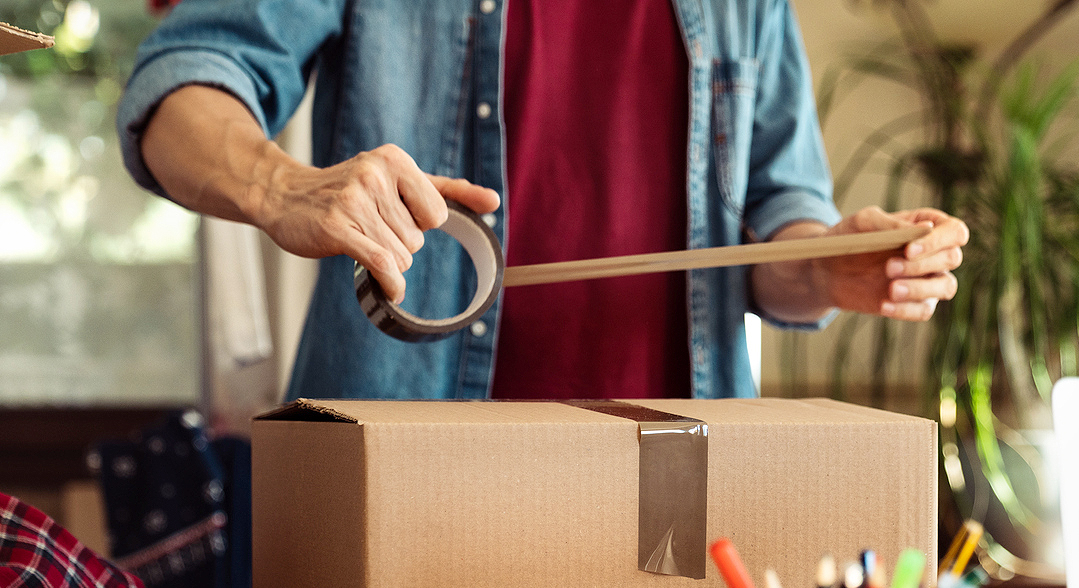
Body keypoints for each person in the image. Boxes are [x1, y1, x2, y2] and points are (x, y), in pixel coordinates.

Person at [117, 0, 967, 402]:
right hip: (409, 483)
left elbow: (777, 223)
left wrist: (822, 266)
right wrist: (280, 186)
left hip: (676, 495)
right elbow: (181, 81)